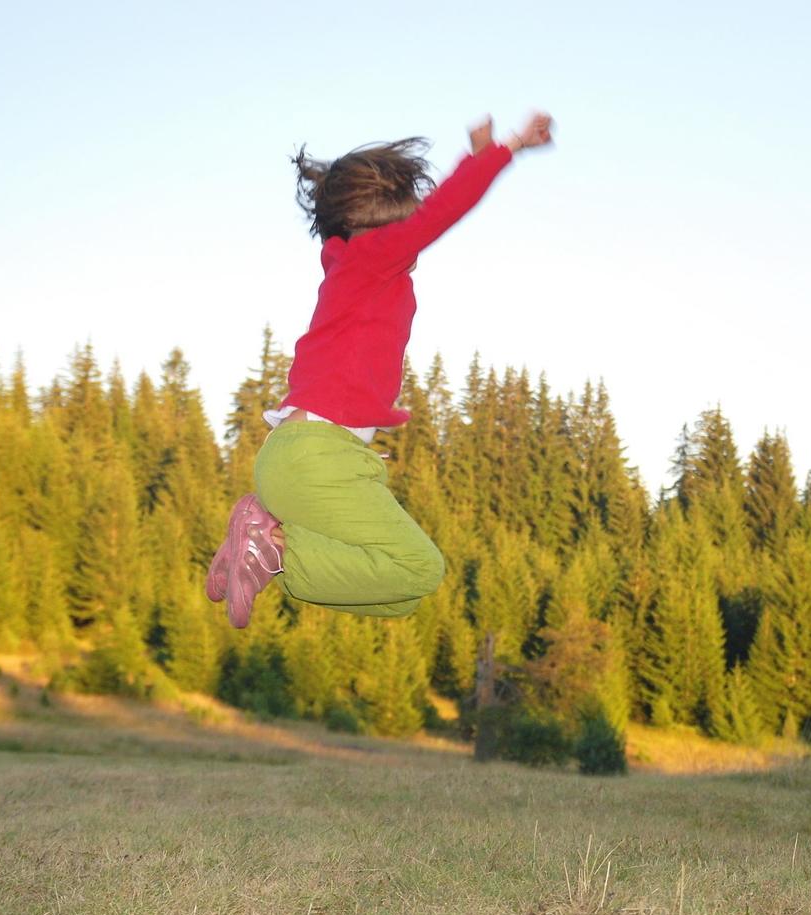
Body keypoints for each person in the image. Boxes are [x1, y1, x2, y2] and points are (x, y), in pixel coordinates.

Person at [206, 111, 554, 627]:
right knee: (419, 568)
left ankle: (268, 541)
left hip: (301, 458)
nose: (412, 242)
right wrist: (504, 152)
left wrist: (474, 160)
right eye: (404, 226)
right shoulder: (369, 259)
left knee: (400, 594)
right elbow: (441, 215)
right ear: (378, 227)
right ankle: (273, 548)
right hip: (318, 458)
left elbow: (422, 218)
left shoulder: (349, 265)